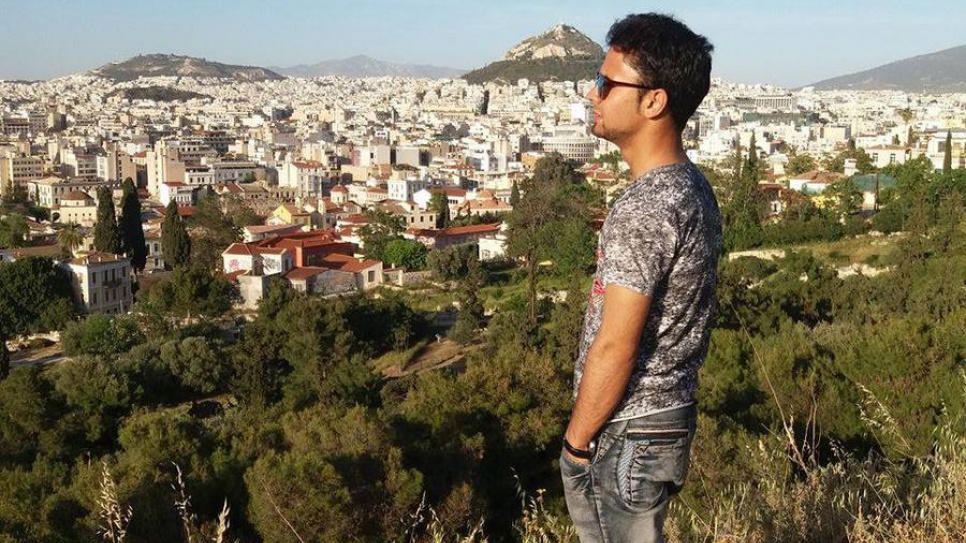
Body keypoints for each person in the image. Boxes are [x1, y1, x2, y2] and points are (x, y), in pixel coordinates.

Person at [560, 13, 721, 543]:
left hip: (627, 427)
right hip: (666, 418)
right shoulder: (691, 187)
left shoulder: (647, 206)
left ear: (654, 101)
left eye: (607, 83)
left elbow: (616, 343)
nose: (593, 93)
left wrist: (578, 442)